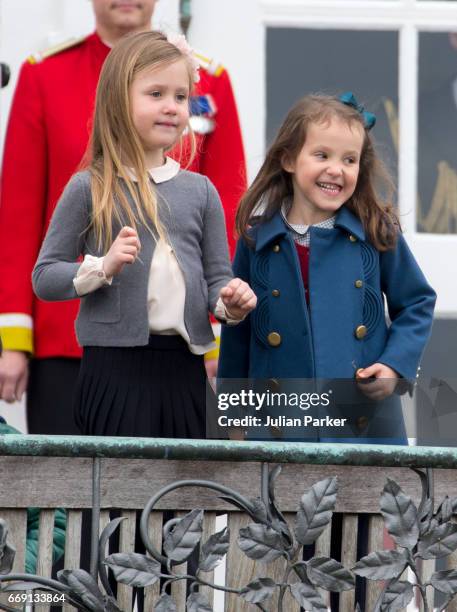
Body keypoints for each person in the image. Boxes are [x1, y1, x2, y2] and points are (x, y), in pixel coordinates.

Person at [0, 0, 246, 432]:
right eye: (156, 95)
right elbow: (17, 217)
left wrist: (217, 339)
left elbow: (224, 216)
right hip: (65, 340)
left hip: (179, 349)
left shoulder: (211, 80)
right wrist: (12, 338)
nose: (171, 105)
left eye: (179, 97)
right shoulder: (44, 73)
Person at [218, 92, 436, 443]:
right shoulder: (255, 241)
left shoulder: (377, 233)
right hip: (277, 426)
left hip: (361, 423)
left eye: (349, 160)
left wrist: (395, 365)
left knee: (368, 499)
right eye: (322, 155)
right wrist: (231, 421)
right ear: (288, 159)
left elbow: (417, 303)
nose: (336, 169)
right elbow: (237, 335)